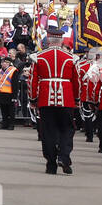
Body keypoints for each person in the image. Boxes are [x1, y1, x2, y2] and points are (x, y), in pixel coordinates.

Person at [31, 26, 80, 174]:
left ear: (48, 40)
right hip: (66, 98)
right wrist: (77, 98)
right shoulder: (71, 58)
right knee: (67, 129)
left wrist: (33, 98)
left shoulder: (38, 57)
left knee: (48, 131)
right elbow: (76, 81)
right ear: (61, 40)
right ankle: (64, 157)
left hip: (46, 98)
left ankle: (51, 164)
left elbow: (33, 80)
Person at [0, 56, 18, 129]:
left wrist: (14, 96)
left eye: (3, 62)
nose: (2, 64)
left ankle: (11, 124)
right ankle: (4, 123)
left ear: (8, 63)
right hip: (1, 92)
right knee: (3, 110)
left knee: (11, 110)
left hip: (9, 93)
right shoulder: (1, 70)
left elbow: (15, 84)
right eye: (2, 62)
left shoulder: (13, 70)